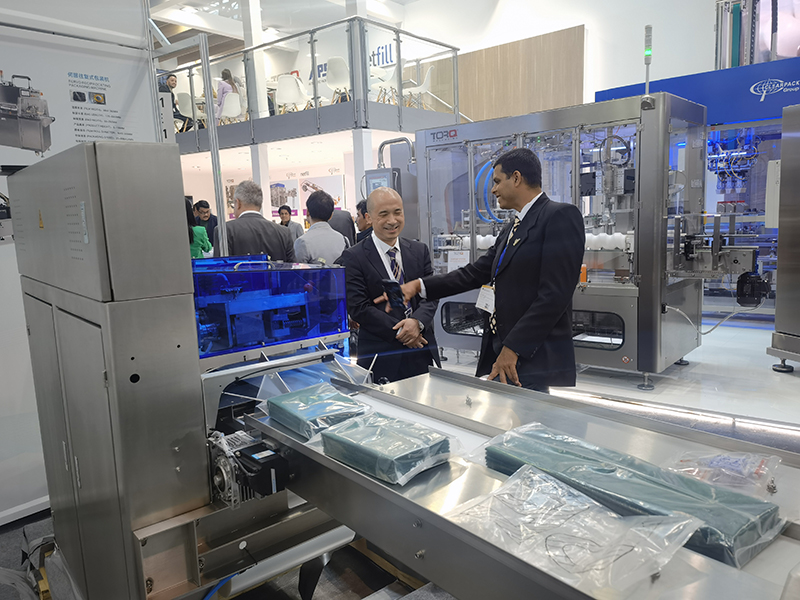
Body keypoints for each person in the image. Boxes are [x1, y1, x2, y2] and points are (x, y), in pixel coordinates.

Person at [387, 148, 585, 392]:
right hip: (503, 347)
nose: (493, 190)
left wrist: (513, 348)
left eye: (497, 181)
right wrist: (420, 286)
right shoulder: (513, 226)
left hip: (528, 353)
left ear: (516, 178)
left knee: (526, 411)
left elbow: (554, 296)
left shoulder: (559, 216)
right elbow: (476, 272)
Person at [336, 187, 440, 383]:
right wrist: (403, 332)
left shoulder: (419, 251)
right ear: (369, 217)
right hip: (380, 355)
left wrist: (416, 323)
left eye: (397, 212)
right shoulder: (354, 256)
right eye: (383, 214)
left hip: (420, 349)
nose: (392, 221)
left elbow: (431, 293)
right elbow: (359, 307)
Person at [213, 180, 295, 261]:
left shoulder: (224, 231)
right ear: (260, 204)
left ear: (238, 203)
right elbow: (293, 267)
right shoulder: (284, 232)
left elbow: (219, 267)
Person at [294, 191, 348, 265]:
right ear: (331, 215)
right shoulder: (343, 240)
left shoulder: (302, 242)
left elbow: (298, 271)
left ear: (307, 212)